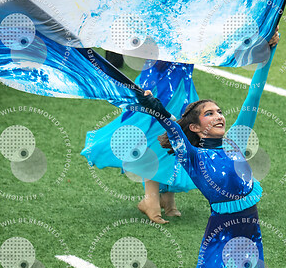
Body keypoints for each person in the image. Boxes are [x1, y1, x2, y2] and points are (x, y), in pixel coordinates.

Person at [139, 29, 279, 268]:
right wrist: (153, 104)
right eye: (209, 114)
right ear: (196, 128)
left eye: (219, 111)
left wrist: (267, 55)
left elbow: (254, 95)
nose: (218, 116)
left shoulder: (234, 142)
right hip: (221, 249)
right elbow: (170, 126)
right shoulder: (194, 156)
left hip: (251, 250)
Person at [81, 60, 199, 223]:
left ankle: (166, 196)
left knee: (176, 137)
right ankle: (151, 199)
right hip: (158, 82)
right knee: (155, 137)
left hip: (182, 83)